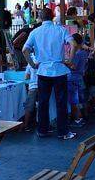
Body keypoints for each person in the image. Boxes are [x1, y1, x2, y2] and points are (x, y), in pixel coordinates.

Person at [22, 7, 77, 140]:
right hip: (59, 70)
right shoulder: (61, 29)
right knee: (61, 102)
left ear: (40, 18)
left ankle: (42, 130)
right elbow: (73, 44)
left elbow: (25, 50)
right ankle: (63, 132)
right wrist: (69, 60)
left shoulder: (35, 32)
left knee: (43, 102)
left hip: (43, 71)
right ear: (53, 16)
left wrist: (33, 65)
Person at [23, 53, 38, 132]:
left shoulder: (30, 60)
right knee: (43, 106)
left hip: (33, 86)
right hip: (43, 86)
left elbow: (26, 77)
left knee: (29, 107)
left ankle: (26, 125)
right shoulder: (44, 59)